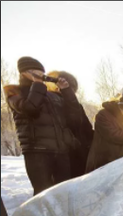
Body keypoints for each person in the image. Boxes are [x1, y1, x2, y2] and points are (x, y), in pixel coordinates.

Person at [4, 57, 79, 195]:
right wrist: (38, 85)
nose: (39, 74)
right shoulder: (13, 91)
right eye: (34, 71)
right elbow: (29, 109)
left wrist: (66, 90)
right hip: (37, 151)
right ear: (23, 73)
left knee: (64, 192)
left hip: (61, 151)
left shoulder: (51, 95)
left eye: (41, 71)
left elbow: (74, 112)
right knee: (43, 194)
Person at [45, 70, 94, 179]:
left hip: (81, 151)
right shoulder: (51, 104)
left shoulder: (76, 105)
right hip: (65, 154)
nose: (71, 94)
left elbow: (86, 128)